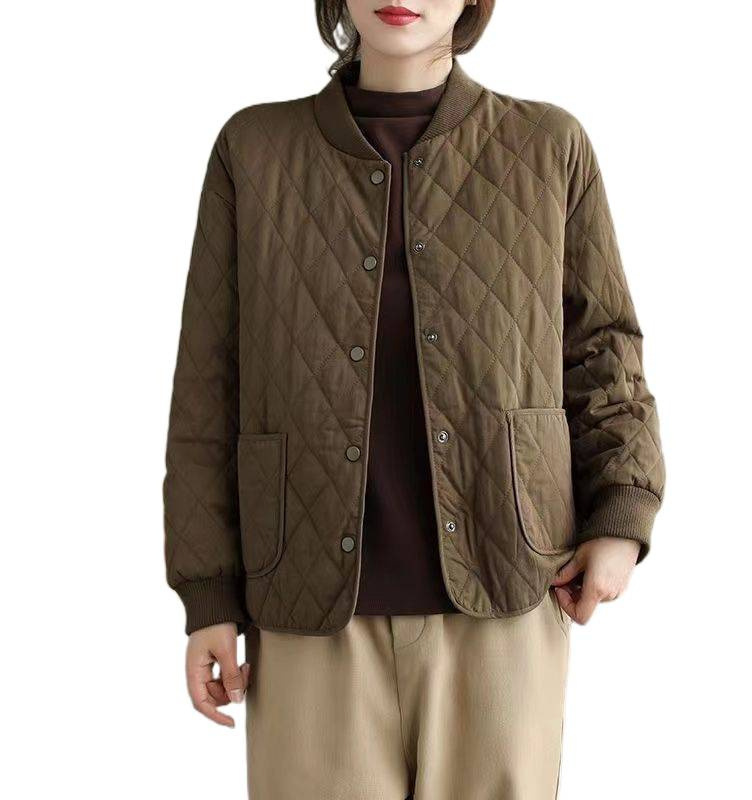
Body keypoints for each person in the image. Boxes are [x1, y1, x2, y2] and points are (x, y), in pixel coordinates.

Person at [162, 1, 667, 797]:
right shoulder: (254, 150)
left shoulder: (548, 145)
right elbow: (207, 385)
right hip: (304, 602)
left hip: (506, 593)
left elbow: (603, 348)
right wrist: (208, 595)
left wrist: (622, 515)